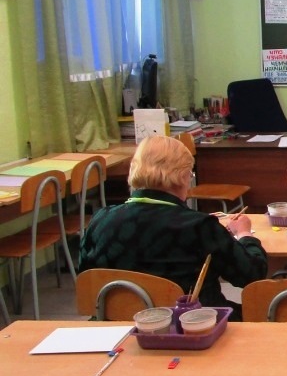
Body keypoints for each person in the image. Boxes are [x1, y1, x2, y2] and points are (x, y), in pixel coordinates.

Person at [79, 135, 267, 320]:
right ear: (183, 176)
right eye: (190, 175)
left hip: (118, 324)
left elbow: (87, 279)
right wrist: (244, 233)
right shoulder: (199, 227)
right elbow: (252, 275)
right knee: (261, 313)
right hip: (190, 326)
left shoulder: (100, 220)